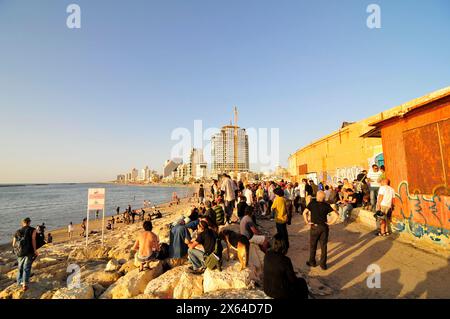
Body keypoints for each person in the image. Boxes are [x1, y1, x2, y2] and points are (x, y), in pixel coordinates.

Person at [263, 233, 309, 299]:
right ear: (284, 246)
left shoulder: (267, 254)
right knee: (302, 282)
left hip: (267, 289)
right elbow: (293, 280)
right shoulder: (285, 260)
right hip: (280, 293)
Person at [303, 191, 339, 270]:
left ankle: (312, 262)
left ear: (316, 196)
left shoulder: (312, 203)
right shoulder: (326, 205)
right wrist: (330, 223)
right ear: (324, 198)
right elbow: (336, 215)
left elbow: (304, 213)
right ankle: (323, 264)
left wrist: (307, 222)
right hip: (324, 227)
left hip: (314, 227)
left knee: (313, 246)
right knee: (323, 246)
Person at [12, 218, 38, 291]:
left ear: (22, 223)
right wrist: (35, 250)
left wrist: (16, 251)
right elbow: (33, 240)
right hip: (29, 251)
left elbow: (13, 243)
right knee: (27, 267)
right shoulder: (33, 230)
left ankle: (19, 282)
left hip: (20, 252)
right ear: (29, 222)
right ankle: (24, 284)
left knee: (20, 267)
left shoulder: (17, 231)